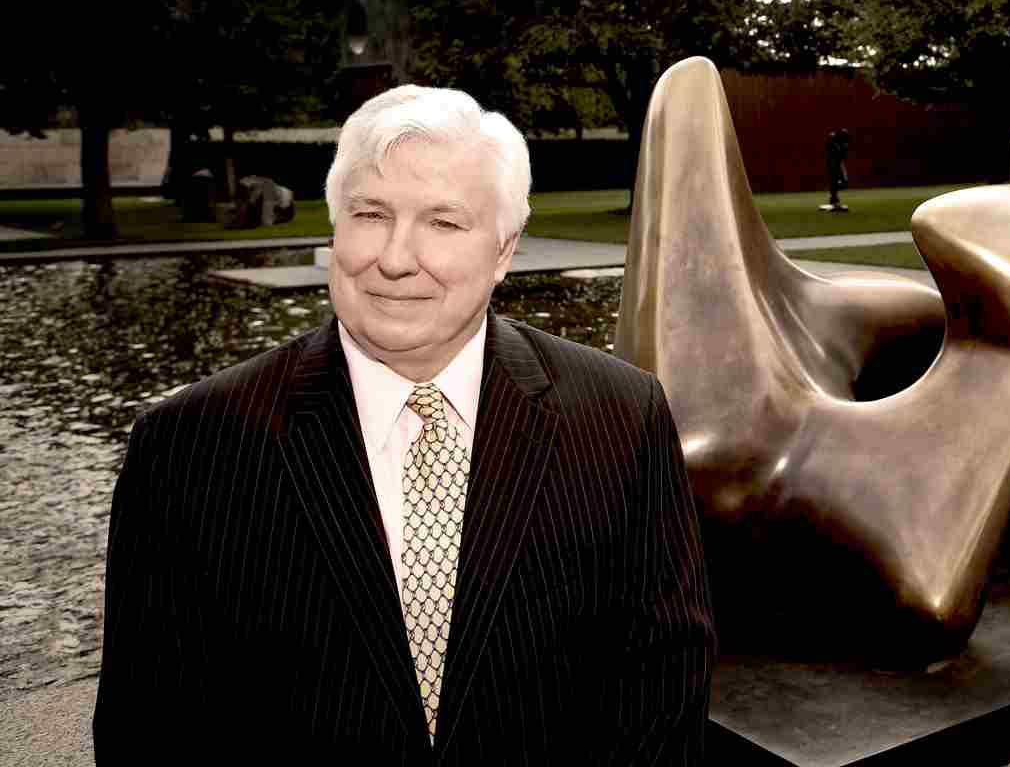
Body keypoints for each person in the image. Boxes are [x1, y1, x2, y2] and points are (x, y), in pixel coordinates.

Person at [94, 85, 716, 764]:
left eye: (444, 223)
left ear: (504, 252)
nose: (394, 257)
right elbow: (149, 729)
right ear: (335, 229)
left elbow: (662, 684)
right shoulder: (189, 447)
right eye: (371, 214)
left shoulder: (622, 418)